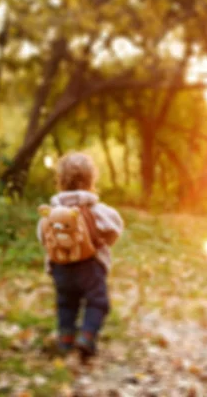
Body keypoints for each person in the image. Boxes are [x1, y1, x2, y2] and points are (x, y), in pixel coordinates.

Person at [37, 152, 124, 358]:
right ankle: (86, 337)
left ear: (60, 181)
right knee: (98, 302)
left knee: (66, 303)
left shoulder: (51, 210)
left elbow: (42, 236)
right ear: (92, 180)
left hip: (60, 268)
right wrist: (102, 244)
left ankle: (66, 340)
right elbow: (115, 228)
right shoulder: (97, 209)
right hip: (90, 266)